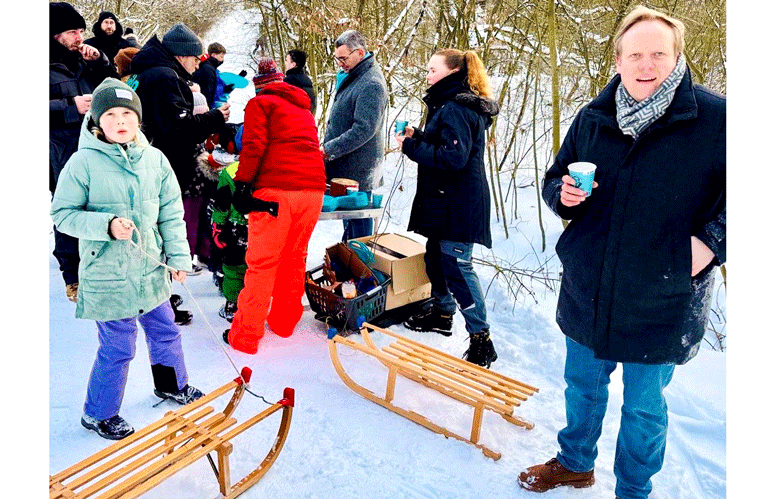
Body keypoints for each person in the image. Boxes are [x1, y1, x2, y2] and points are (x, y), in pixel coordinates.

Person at [516, 7, 726, 499]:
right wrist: (560, 194)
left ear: (676, 58)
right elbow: (554, 177)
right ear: (617, 60)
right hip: (590, 284)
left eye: (658, 53)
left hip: (664, 292)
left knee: (644, 408)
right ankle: (574, 463)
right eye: (635, 54)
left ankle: (633, 490)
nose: (646, 64)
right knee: (582, 387)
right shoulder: (593, 117)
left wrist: (708, 247)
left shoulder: (716, 120)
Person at [50, 78, 204, 440]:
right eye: (111, 115)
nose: (121, 121)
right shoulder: (81, 163)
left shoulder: (155, 160)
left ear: (138, 119)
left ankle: (170, 384)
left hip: (149, 269)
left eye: (128, 114)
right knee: (118, 345)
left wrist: (179, 256)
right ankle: (98, 413)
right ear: (97, 122)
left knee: (165, 331)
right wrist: (105, 224)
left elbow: (170, 212)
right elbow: (62, 213)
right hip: (107, 272)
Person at [395, 49, 499, 368]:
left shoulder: (456, 106)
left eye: (432, 69)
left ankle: (481, 339)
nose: (427, 75)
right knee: (435, 259)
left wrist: (411, 146)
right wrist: (420, 136)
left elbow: (454, 158)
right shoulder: (450, 103)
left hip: (459, 203)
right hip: (445, 200)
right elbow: (447, 144)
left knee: (457, 266)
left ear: (452, 73)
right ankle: (441, 314)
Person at [223, 58, 326, 354]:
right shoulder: (303, 108)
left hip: (276, 192)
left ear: (259, 86)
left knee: (262, 264)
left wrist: (242, 184)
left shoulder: (261, 104)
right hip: (313, 190)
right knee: (294, 259)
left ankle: (245, 337)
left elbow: (254, 146)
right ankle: (283, 323)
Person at [129, 23, 230, 276]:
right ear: (182, 54)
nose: (198, 64)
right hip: (167, 162)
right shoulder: (165, 77)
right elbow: (178, 129)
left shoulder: (147, 72)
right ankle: (167, 280)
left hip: (146, 159)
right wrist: (216, 117)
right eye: (196, 58)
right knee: (171, 223)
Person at [50, 2, 116, 302]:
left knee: (98, 204)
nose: (79, 37)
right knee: (68, 209)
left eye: (80, 31)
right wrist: (69, 107)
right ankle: (73, 276)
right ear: (53, 35)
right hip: (59, 150)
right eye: (71, 32)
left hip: (93, 145)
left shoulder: (83, 60)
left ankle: (99, 266)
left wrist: (101, 60)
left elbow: (110, 85)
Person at [322, 30, 388, 241]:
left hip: (359, 172)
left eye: (343, 58)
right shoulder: (354, 76)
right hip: (346, 170)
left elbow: (363, 130)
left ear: (359, 53)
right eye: (337, 59)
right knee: (349, 228)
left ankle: (360, 269)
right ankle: (347, 264)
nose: (340, 63)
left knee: (358, 231)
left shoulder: (371, 84)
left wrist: (329, 149)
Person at [192, 42, 227, 109]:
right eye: (221, 56)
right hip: (204, 108)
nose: (223, 60)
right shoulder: (208, 69)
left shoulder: (207, 66)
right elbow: (208, 91)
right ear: (213, 55)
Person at [283, 49, 316, 114]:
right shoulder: (307, 79)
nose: (285, 63)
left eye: (287, 60)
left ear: (293, 64)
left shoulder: (289, 80)